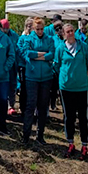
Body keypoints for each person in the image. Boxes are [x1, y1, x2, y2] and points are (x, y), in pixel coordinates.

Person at [54, 23, 88, 159]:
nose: (70, 33)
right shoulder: (60, 48)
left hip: (82, 87)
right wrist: (64, 77)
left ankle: (84, 145)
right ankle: (70, 143)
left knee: (83, 117)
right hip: (66, 88)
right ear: (63, 34)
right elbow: (56, 65)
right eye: (67, 32)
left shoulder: (83, 47)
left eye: (72, 31)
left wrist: (85, 75)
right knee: (68, 117)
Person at [18, 17, 55, 145]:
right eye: (37, 29)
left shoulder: (49, 39)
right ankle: (26, 135)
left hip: (46, 77)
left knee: (43, 106)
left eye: (41, 29)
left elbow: (52, 54)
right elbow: (28, 53)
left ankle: (40, 135)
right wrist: (43, 55)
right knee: (30, 105)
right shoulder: (28, 39)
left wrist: (37, 55)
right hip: (31, 77)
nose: (39, 31)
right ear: (33, 28)